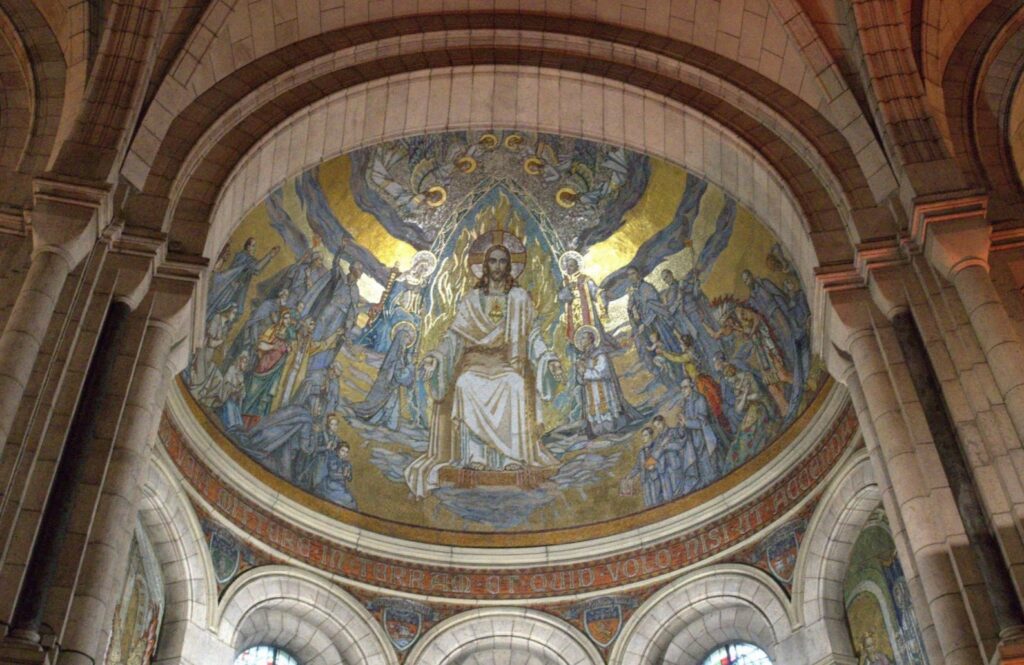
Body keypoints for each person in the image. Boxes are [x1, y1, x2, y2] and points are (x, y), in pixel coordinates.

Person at [404, 235, 564, 496]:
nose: (498, 266)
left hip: (506, 362)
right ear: (485, 265)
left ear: (510, 266)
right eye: (493, 261)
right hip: (475, 361)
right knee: (466, 383)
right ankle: (475, 456)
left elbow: (532, 336)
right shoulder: (471, 299)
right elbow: (454, 337)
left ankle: (512, 456)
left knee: (514, 383)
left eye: (503, 261)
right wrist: (436, 356)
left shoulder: (519, 298)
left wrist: (549, 359)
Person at [358, 251, 436, 353]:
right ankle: (385, 350)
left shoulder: (422, 284)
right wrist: (390, 308)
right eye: (421, 267)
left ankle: (400, 355)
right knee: (407, 319)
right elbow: (393, 296)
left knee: (417, 323)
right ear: (416, 265)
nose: (422, 270)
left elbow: (418, 303)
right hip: (397, 308)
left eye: (424, 269)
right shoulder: (404, 277)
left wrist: (418, 312)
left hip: (411, 312)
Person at [351, 322, 418, 430]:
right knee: (382, 404)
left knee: (389, 406)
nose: (408, 342)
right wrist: (411, 367)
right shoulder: (397, 356)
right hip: (387, 386)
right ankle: (378, 421)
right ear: (401, 339)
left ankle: (387, 424)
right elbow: (399, 375)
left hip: (390, 386)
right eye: (407, 338)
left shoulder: (397, 354)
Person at [574, 325, 639, 436]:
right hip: (591, 395)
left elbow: (602, 372)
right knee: (597, 427)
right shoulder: (582, 358)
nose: (581, 341)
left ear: (591, 339)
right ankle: (598, 430)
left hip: (603, 390)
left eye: (584, 338)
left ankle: (613, 428)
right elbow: (580, 381)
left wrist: (584, 371)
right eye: (580, 339)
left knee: (609, 423)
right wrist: (580, 374)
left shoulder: (600, 354)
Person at [625, 266, 683, 384]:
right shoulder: (635, 292)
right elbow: (634, 309)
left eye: (633, 273)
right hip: (649, 328)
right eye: (629, 275)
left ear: (638, 274)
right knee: (657, 353)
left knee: (669, 348)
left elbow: (655, 307)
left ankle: (682, 375)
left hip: (659, 325)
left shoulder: (647, 288)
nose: (631, 277)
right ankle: (670, 379)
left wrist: (644, 324)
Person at [241, 308, 296, 428]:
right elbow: (260, 344)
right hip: (264, 367)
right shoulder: (273, 330)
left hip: (275, 371)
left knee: (264, 400)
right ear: (281, 318)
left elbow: (290, 352)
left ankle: (252, 428)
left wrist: (288, 349)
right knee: (252, 395)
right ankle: (241, 423)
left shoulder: (289, 336)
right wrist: (273, 346)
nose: (287, 320)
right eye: (285, 317)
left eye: (289, 318)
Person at [206, 237, 279, 325]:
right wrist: (270, 255)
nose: (253, 248)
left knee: (227, 310)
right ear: (247, 246)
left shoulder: (248, 258)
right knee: (220, 305)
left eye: (254, 246)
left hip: (237, 288)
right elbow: (256, 267)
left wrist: (270, 258)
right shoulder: (243, 256)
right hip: (230, 286)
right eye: (252, 246)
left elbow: (257, 270)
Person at [676, 378, 721, 487]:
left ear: (691, 386)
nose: (683, 390)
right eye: (681, 388)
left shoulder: (699, 399)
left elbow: (703, 422)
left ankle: (714, 483)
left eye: (685, 387)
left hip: (705, 438)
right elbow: (683, 424)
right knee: (700, 463)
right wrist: (682, 426)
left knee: (709, 461)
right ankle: (707, 483)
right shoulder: (685, 404)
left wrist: (686, 422)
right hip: (693, 439)